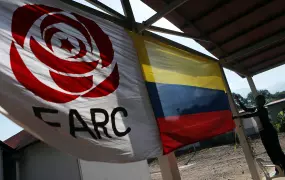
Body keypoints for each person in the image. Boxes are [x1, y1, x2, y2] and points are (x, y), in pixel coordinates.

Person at [233, 95, 285, 175]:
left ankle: (281, 167)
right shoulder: (257, 109)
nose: (257, 102)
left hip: (269, 132)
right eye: (256, 100)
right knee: (270, 151)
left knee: (276, 150)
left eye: (259, 100)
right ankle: (279, 167)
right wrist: (238, 100)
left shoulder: (263, 110)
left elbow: (250, 115)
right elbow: (246, 109)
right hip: (263, 133)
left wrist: (237, 117)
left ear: (262, 102)